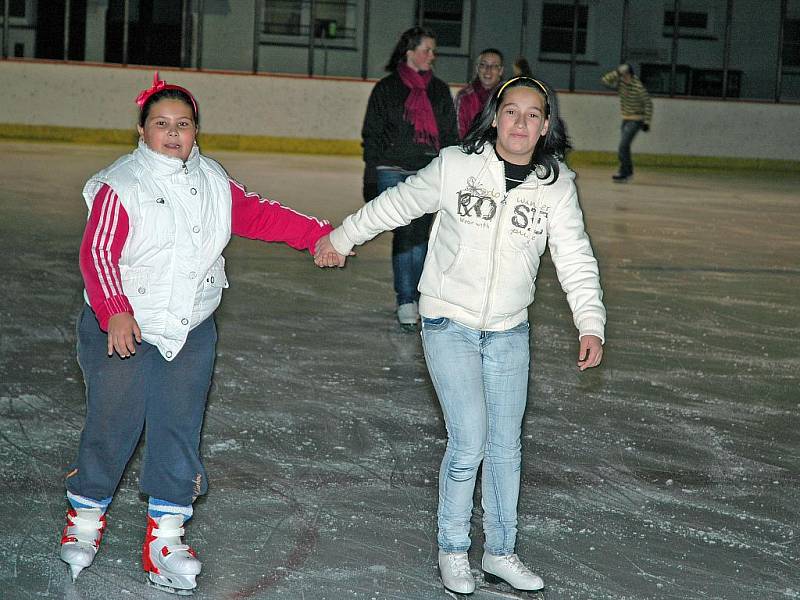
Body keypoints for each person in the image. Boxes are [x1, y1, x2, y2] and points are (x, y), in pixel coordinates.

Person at [316, 77, 606, 595]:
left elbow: (575, 256)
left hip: (508, 329)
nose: (520, 123)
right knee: (469, 440)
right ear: (495, 117)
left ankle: (500, 551)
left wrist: (591, 322)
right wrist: (341, 237)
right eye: (511, 112)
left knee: (505, 446)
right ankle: (453, 549)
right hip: (449, 320)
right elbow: (397, 205)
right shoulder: (456, 166)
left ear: (545, 125)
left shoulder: (556, 184)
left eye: (532, 114)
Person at [59, 73, 343, 594]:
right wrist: (116, 309)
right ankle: (85, 517)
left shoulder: (212, 179)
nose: (172, 133)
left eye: (183, 125)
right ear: (142, 131)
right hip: (125, 326)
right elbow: (97, 253)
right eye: (161, 124)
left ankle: (166, 536)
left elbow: (257, 213)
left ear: (195, 132)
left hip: (190, 327)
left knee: (178, 425)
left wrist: (316, 234)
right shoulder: (121, 184)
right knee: (112, 421)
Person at [361, 26, 458, 331]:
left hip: (429, 171)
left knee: (423, 236)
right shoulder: (387, 89)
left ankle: (420, 295)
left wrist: (452, 171)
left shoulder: (439, 90)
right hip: (392, 170)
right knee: (405, 237)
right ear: (410, 52)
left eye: (434, 51)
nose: (432, 56)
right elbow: (372, 134)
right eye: (427, 49)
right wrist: (370, 175)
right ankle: (406, 299)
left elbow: (449, 135)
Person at [601, 62, 653, 183]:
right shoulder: (621, 84)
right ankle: (626, 171)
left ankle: (625, 172)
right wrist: (617, 73)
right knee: (625, 147)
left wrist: (647, 122)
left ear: (629, 74)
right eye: (621, 75)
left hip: (636, 120)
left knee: (622, 146)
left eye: (624, 74)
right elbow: (605, 81)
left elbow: (648, 104)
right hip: (626, 119)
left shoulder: (638, 87)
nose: (622, 77)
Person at [454, 48, 504, 139]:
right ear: (477, 68)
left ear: (500, 71)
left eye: (494, 66)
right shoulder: (463, 97)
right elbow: (458, 132)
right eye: (483, 65)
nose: (488, 70)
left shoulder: (506, 97)